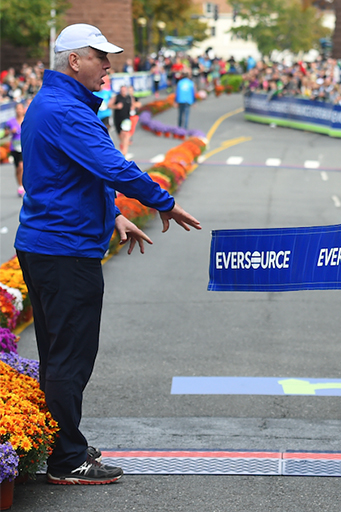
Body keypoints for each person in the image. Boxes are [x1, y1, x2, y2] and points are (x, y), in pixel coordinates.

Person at [15, 24, 201, 486]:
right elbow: (112, 166)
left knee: (60, 354)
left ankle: (62, 443)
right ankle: (67, 459)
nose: (109, 65)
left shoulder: (53, 103)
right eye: (101, 56)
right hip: (64, 250)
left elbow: (71, 172)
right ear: (74, 61)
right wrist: (165, 202)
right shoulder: (68, 110)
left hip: (48, 244)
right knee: (70, 358)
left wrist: (113, 216)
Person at [3, 100, 26, 196]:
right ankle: (20, 185)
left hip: (24, 147)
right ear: (15, 110)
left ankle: (23, 186)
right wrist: (10, 132)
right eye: (17, 109)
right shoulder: (10, 121)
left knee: (22, 166)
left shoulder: (27, 119)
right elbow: (4, 133)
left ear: (23, 110)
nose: (19, 110)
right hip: (14, 148)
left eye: (20, 108)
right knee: (18, 168)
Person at [111, 83, 134, 156]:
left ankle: (124, 151)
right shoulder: (117, 97)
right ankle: (123, 146)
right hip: (117, 119)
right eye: (122, 90)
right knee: (120, 136)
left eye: (124, 90)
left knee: (125, 133)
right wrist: (116, 106)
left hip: (126, 119)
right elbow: (109, 105)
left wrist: (133, 109)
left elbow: (133, 105)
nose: (123, 91)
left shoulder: (129, 98)